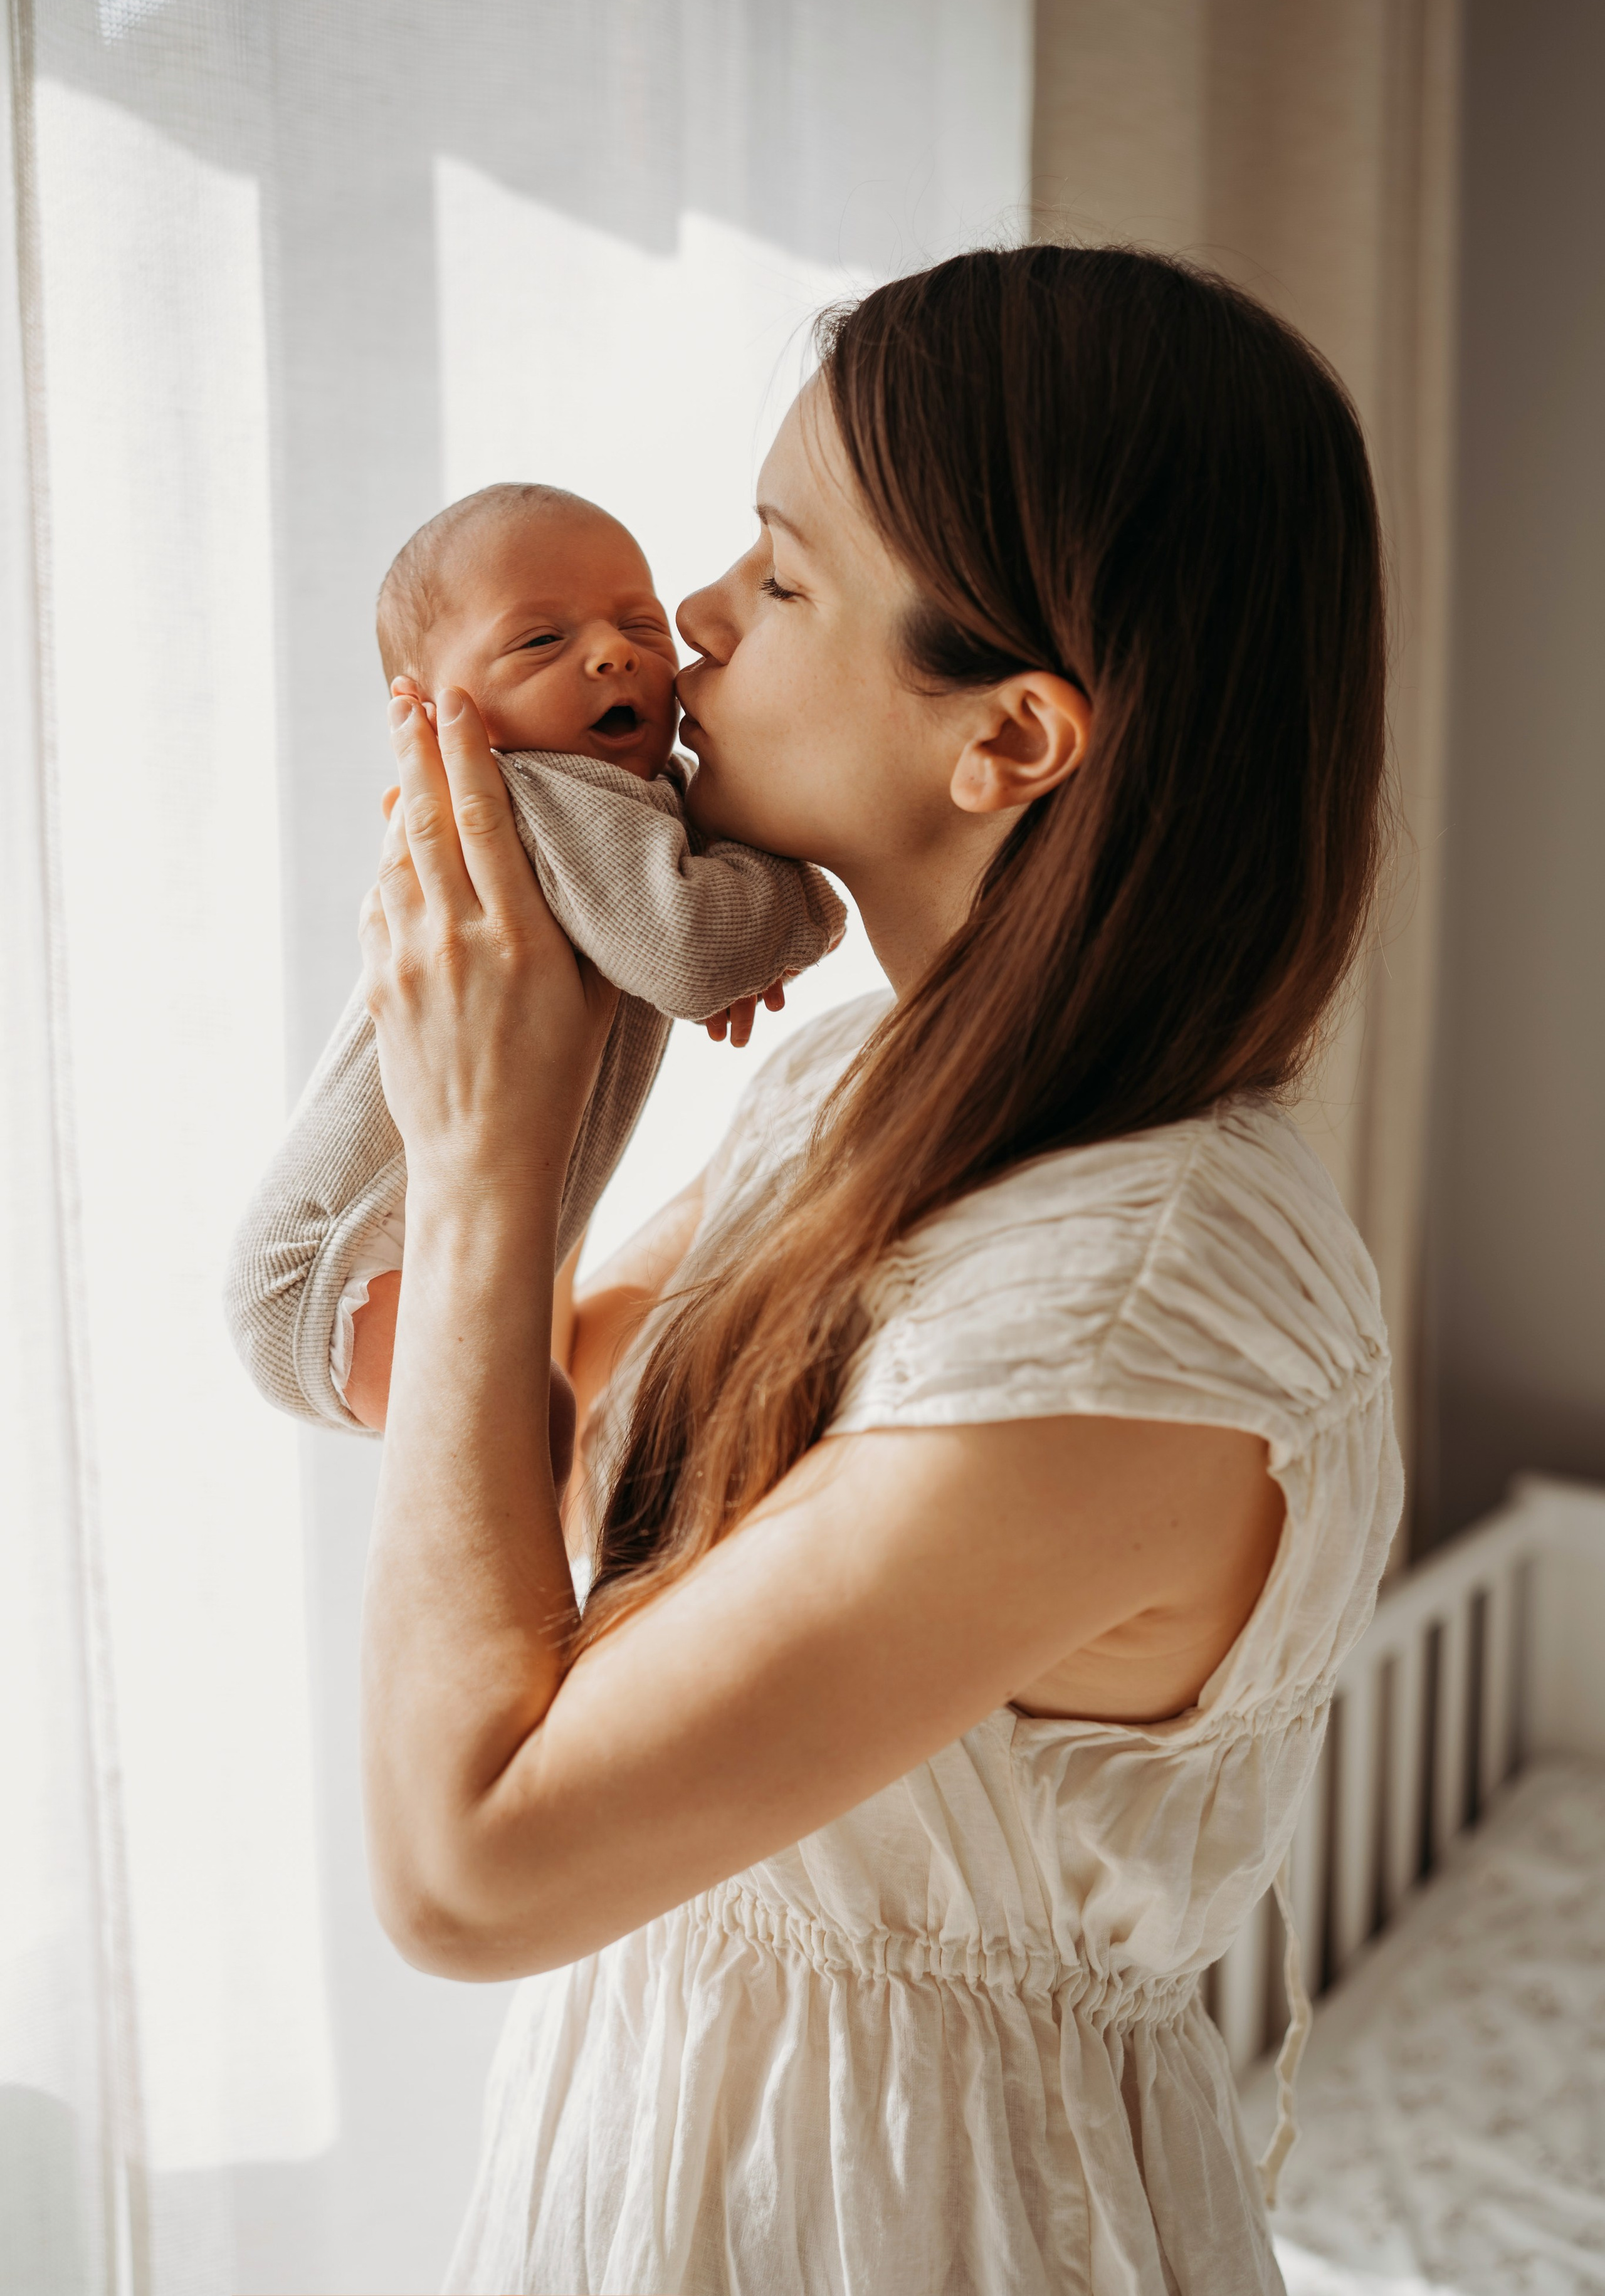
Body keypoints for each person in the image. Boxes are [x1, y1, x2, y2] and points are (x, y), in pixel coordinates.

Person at [354, 246, 1401, 2295]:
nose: (696, 628)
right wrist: (545, 998)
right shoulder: (859, 1086)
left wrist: (488, 1171)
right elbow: (454, 1407)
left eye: (780, 573)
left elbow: (466, 1871)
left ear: (1008, 740)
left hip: (914, 2225)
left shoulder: (1123, 1319)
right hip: (665, 2145)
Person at [223, 482, 841, 1438]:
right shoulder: (545, 789)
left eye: (638, 624)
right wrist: (802, 895)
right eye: (540, 642)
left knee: (547, 1448)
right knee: (515, 1459)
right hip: (347, 1264)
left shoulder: (630, 798)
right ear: (436, 714)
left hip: (381, 1248)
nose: (613, 653)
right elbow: (688, 953)